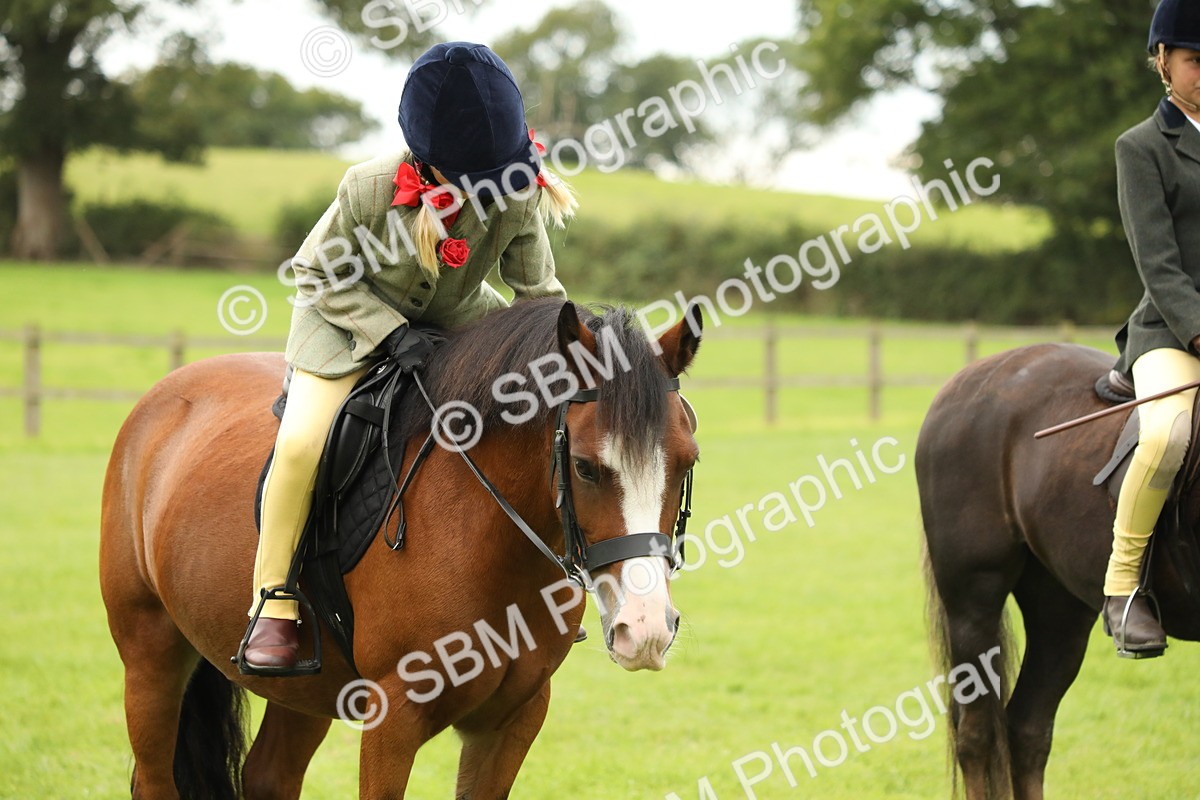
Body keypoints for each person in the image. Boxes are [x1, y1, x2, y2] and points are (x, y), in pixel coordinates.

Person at [240, 41, 578, 674]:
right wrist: (391, 335)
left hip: (454, 322)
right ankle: (274, 600)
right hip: (344, 321)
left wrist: (570, 359)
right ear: (430, 162)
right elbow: (315, 273)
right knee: (302, 444)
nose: (486, 198)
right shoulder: (369, 187)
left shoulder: (517, 189)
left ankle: (537, 589)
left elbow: (538, 297)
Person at [1106, 0, 1200, 657]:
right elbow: (1159, 266)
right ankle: (1124, 587)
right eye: (1197, 60)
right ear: (1163, 60)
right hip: (1172, 330)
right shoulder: (1141, 148)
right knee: (1168, 435)